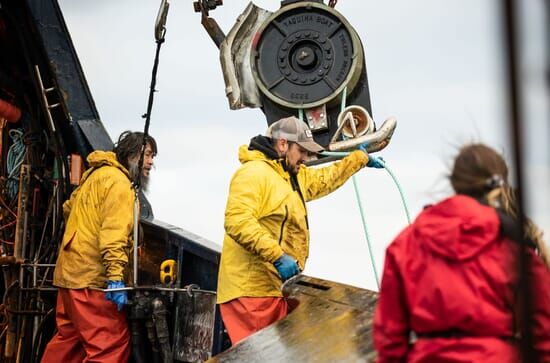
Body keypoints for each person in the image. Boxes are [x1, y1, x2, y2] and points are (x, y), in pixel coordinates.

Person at [373, 143, 550, 363]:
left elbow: (390, 339)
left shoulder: (405, 243)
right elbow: (544, 332)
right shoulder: (514, 245)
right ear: (499, 185)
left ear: (455, 183)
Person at [217, 116, 385, 345]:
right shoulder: (253, 174)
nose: (306, 159)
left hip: (275, 289)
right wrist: (277, 256)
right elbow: (238, 221)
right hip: (253, 292)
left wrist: (358, 159)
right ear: (283, 144)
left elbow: (324, 179)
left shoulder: (289, 175)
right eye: (302, 151)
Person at [41, 131, 157, 363]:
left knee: (68, 344)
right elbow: (113, 238)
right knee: (111, 346)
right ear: (133, 155)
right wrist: (115, 280)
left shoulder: (94, 175)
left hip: (69, 276)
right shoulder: (119, 184)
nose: (151, 163)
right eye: (147, 155)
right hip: (91, 281)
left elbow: (68, 209)